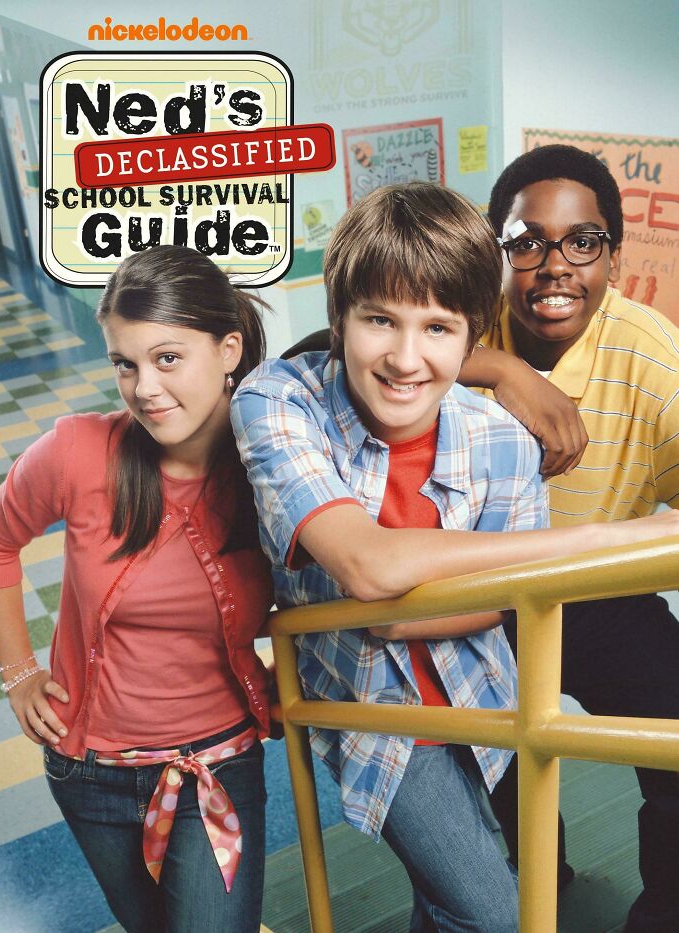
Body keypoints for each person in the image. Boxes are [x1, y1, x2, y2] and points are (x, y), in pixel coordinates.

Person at [230, 182, 679, 933]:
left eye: (439, 328)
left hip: (485, 688)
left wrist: (411, 610)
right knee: (499, 914)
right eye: (380, 320)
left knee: (452, 901)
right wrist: (607, 538)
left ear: (473, 339)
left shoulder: (500, 437)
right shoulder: (278, 398)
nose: (407, 357)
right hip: (368, 710)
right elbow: (368, 568)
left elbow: (505, 600)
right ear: (339, 320)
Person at [0, 245, 274, 933]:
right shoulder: (78, 451)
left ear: (228, 348)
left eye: (168, 358)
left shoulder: (274, 459)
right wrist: (19, 672)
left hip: (219, 764)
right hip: (91, 773)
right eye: (125, 363)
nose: (144, 387)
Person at [483, 143, 679, 933]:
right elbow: (346, 350)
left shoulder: (653, 357)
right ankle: (535, 880)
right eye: (526, 242)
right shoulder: (465, 313)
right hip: (481, 601)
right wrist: (501, 367)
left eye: (582, 242)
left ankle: (665, 910)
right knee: (488, 771)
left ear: (613, 255)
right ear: (497, 253)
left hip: (603, 592)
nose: (553, 265)